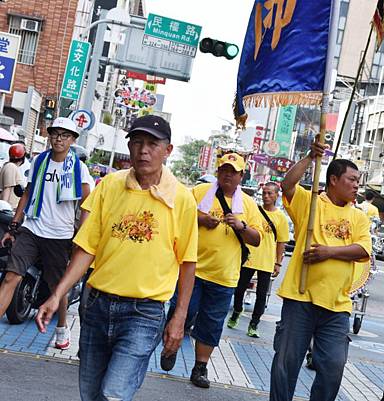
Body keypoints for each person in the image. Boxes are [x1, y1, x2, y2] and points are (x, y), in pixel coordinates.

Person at [35, 115, 199, 401]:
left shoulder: (182, 199)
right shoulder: (110, 186)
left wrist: (179, 317)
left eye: (151, 144)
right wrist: (56, 295)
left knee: (113, 393)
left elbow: (187, 262)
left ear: (168, 150)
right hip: (97, 304)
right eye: (136, 143)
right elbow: (86, 248)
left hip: (144, 313)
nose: (143, 150)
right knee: (91, 393)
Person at [270, 138, 372, 401]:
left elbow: (363, 250)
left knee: (333, 367)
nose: (356, 185)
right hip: (300, 299)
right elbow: (287, 184)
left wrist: (329, 252)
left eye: (358, 180)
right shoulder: (311, 202)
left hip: (337, 306)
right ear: (334, 180)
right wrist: (310, 157)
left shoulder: (359, 216)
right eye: (351, 179)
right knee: (286, 364)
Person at [160, 152, 262, 390]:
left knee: (212, 322)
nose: (228, 174)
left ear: (241, 176)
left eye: (233, 171)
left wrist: (242, 226)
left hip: (225, 276)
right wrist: (201, 219)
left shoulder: (247, 204)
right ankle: (170, 346)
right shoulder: (199, 192)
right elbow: (178, 213)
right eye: (224, 169)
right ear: (218, 171)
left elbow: (257, 239)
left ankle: (200, 367)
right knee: (180, 311)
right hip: (192, 271)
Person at [0, 117, 93, 349]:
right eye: (55, 134)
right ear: (49, 136)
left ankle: (61, 329)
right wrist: (14, 226)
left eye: (64, 135)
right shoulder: (40, 161)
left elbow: (87, 203)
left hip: (60, 236)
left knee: (57, 287)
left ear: (72, 140)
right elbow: (28, 193)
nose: (59, 139)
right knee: (11, 276)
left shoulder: (79, 169)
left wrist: (81, 235)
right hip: (32, 229)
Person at [227, 181, 289, 338]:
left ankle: (254, 323)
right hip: (249, 257)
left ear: (277, 195)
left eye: (270, 193)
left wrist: (278, 262)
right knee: (239, 289)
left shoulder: (280, 218)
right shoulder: (255, 210)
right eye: (264, 193)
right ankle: (237, 310)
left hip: (266, 262)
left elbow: (281, 242)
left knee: (261, 296)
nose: (266, 196)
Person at [0, 143, 27, 209]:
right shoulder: (11, 167)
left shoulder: (10, 166)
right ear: (23, 157)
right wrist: (4, 209)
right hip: (8, 209)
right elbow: (7, 188)